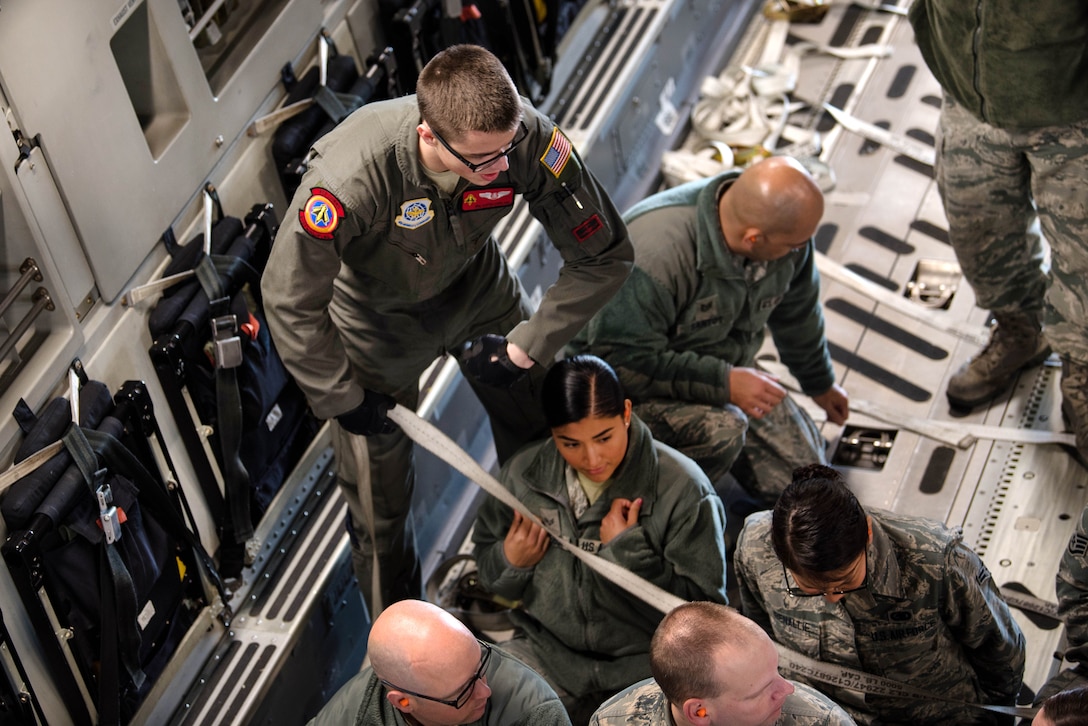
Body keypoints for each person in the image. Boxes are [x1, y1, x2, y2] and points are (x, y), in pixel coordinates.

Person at [262, 44, 633, 612]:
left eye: (509, 151)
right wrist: (339, 395)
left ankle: (535, 581)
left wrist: (528, 346)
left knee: (543, 434)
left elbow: (604, 256)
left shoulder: (525, 141)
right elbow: (289, 298)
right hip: (374, 331)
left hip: (477, 294)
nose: (504, 168)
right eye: (484, 161)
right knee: (378, 511)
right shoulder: (350, 179)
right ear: (429, 136)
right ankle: (406, 641)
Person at [568, 156, 848, 505]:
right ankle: (655, 511)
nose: (802, 250)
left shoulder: (787, 237)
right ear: (753, 239)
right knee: (724, 431)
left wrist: (820, 382)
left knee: (810, 483)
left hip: (716, 367)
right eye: (794, 246)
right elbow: (621, 364)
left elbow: (798, 314)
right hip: (623, 396)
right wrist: (723, 383)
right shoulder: (656, 254)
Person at [472, 355, 729, 723]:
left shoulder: (683, 490)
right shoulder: (523, 476)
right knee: (476, 712)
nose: (591, 458)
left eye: (603, 437)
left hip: (645, 667)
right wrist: (510, 562)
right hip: (549, 653)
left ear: (626, 413)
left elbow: (705, 623)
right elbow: (493, 576)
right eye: (570, 443)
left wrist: (629, 553)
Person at [907, 3, 1088, 461]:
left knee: (1083, 264)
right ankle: (1019, 329)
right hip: (970, 93)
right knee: (979, 235)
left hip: (1069, 106)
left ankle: (1083, 374)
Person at [735, 464, 1026, 725]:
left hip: (935, 715)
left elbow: (1001, 649)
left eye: (844, 582)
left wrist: (995, 718)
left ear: (869, 533)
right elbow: (761, 636)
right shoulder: (754, 548)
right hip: (829, 713)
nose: (832, 598)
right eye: (811, 589)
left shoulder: (938, 560)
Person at [307, 599, 571, 725]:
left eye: (480, 666)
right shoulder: (354, 715)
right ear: (403, 702)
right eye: (463, 692)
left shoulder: (534, 714)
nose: (485, 691)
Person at [590, 601, 857, 725]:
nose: (787, 689)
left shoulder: (822, 723)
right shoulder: (613, 722)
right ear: (699, 712)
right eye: (759, 692)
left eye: (777, 670)